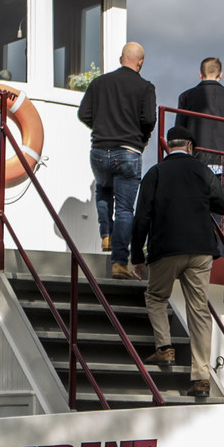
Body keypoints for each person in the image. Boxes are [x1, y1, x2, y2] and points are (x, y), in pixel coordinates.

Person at [130, 125, 224, 399]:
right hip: (200, 250)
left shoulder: (156, 173)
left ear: (167, 147)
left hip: (166, 248)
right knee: (198, 310)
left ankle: (164, 348)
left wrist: (137, 256)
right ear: (190, 147)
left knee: (155, 296)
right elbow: (223, 203)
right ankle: (200, 378)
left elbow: (141, 217)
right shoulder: (202, 171)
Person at [79, 40, 156, 279]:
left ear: (121, 57)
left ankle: (106, 234)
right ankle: (119, 263)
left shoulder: (99, 83)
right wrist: (142, 139)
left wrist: (101, 127)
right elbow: (149, 120)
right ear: (140, 62)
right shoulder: (145, 87)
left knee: (103, 190)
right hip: (128, 151)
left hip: (100, 150)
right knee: (124, 208)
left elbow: (84, 113)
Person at [174, 57, 224, 206]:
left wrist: (179, 160)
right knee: (221, 213)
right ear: (221, 74)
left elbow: (180, 131)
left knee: (196, 209)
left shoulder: (186, 97)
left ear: (200, 74)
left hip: (196, 161)